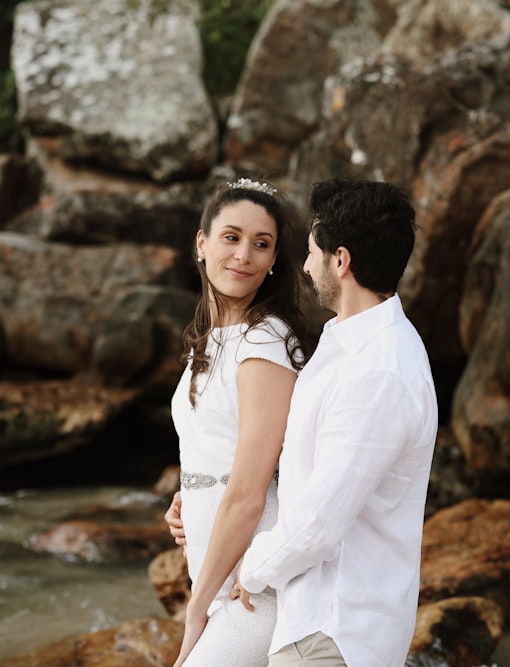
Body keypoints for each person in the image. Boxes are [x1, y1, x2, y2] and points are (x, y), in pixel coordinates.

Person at [231, 178, 440, 666]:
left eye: (311, 252)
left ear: (340, 261)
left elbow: (318, 526)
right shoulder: (350, 345)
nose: (304, 266)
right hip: (318, 624)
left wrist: (253, 568)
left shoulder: (379, 371)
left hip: (334, 633)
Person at [163, 177, 317, 667]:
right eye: (231, 237)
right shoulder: (212, 339)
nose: (244, 255)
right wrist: (192, 492)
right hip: (220, 574)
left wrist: (195, 608)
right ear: (202, 244)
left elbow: (251, 493)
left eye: (261, 244)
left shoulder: (264, 343)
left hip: (252, 587)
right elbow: (219, 448)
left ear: (274, 262)